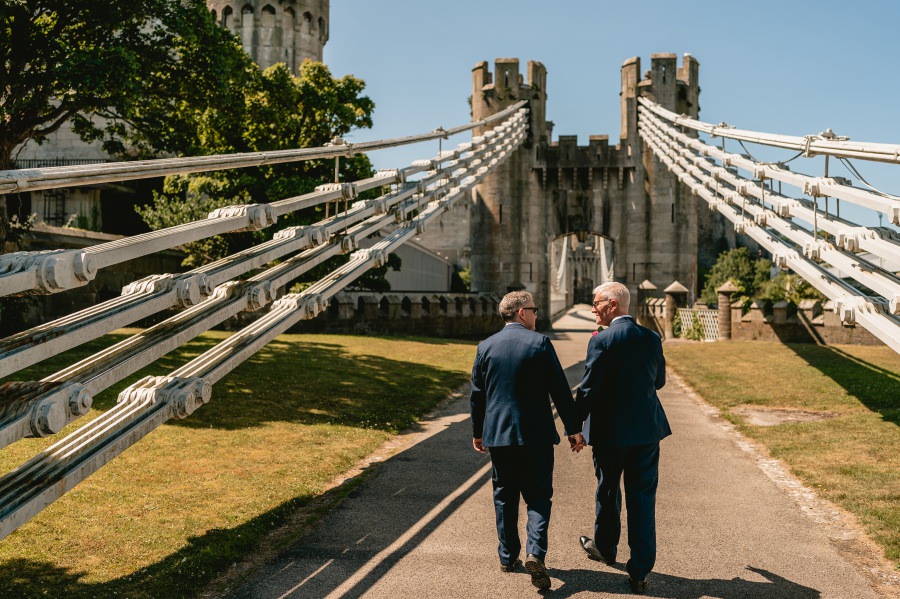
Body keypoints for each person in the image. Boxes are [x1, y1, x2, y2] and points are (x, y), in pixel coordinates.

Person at [470, 290, 586, 590]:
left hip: (498, 436)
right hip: (535, 436)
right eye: (534, 309)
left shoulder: (486, 347)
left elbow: (478, 395)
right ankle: (535, 552)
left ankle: (508, 556)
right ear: (521, 312)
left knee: (504, 496)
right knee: (538, 497)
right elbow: (560, 389)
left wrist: (478, 432)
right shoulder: (540, 343)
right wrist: (573, 429)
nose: (537, 315)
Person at [574, 282, 671, 595]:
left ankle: (605, 548)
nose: (593, 309)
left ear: (612, 304)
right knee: (642, 499)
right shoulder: (651, 337)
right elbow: (658, 381)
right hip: (645, 431)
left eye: (596, 303)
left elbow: (587, 389)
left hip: (609, 432)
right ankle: (640, 571)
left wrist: (574, 425)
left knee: (607, 490)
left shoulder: (602, 340)